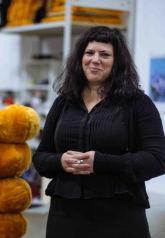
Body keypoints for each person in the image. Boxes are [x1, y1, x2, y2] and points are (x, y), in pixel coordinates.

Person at [32, 26, 165, 238]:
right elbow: (40, 157)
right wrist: (60, 162)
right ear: (80, 58)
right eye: (89, 53)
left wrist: (101, 162)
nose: (95, 60)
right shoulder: (62, 103)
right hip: (65, 217)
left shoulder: (137, 103)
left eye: (105, 54)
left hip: (119, 218)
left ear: (117, 62)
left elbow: (158, 159)